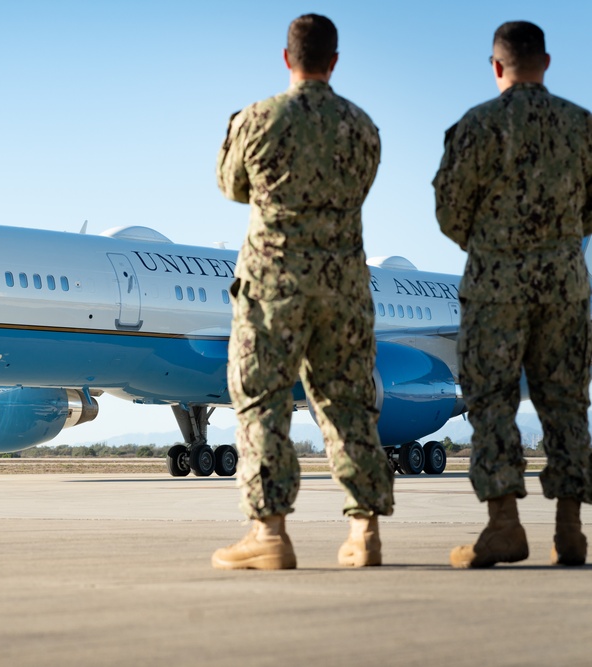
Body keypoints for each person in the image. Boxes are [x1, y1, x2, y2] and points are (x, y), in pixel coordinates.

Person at [213, 14, 393, 570]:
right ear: (333, 61)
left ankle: (269, 534)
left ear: (286, 59)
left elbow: (231, 186)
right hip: (343, 285)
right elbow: (361, 184)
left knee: (263, 401)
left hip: (274, 284)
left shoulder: (259, 119)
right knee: (349, 404)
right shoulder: (361, 126)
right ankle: (364, 535)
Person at [434, 21, 592, 568]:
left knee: (492, 400)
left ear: (496, 67)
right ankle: (570, 530)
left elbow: (449, 214)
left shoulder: (476, 126)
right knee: (567, 401)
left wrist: (493, 243)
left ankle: (504, 526)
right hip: (567, 286)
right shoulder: (582, 127)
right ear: (546, 63)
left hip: (496, 287)